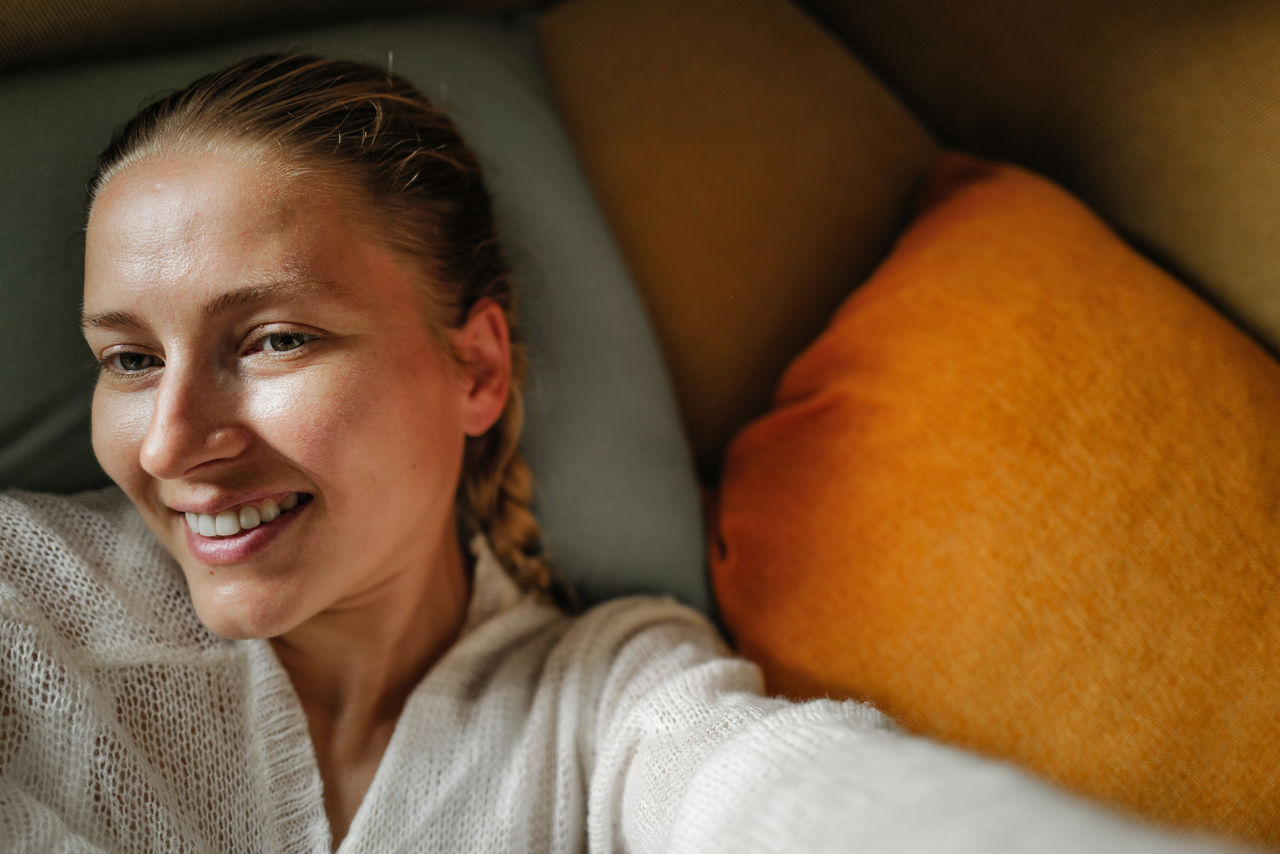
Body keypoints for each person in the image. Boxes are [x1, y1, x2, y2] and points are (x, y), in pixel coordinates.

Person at [0, 54, 1237, 852]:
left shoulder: (611, 701)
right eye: (129, 359)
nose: (169, 444)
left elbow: (807, 805)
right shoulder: (20, 601)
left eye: (269, 337)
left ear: (475, 367)